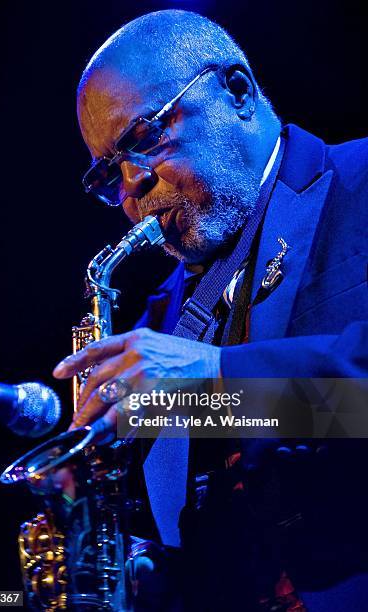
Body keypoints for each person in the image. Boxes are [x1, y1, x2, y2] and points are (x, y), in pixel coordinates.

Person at [53, 10, 368, 611]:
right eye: (106, 173)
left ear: (238, 94)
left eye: (143, 138)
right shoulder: (159, 322)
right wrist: (144, 572)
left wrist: (223, 382)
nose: (129, 187)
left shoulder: (361, 183)